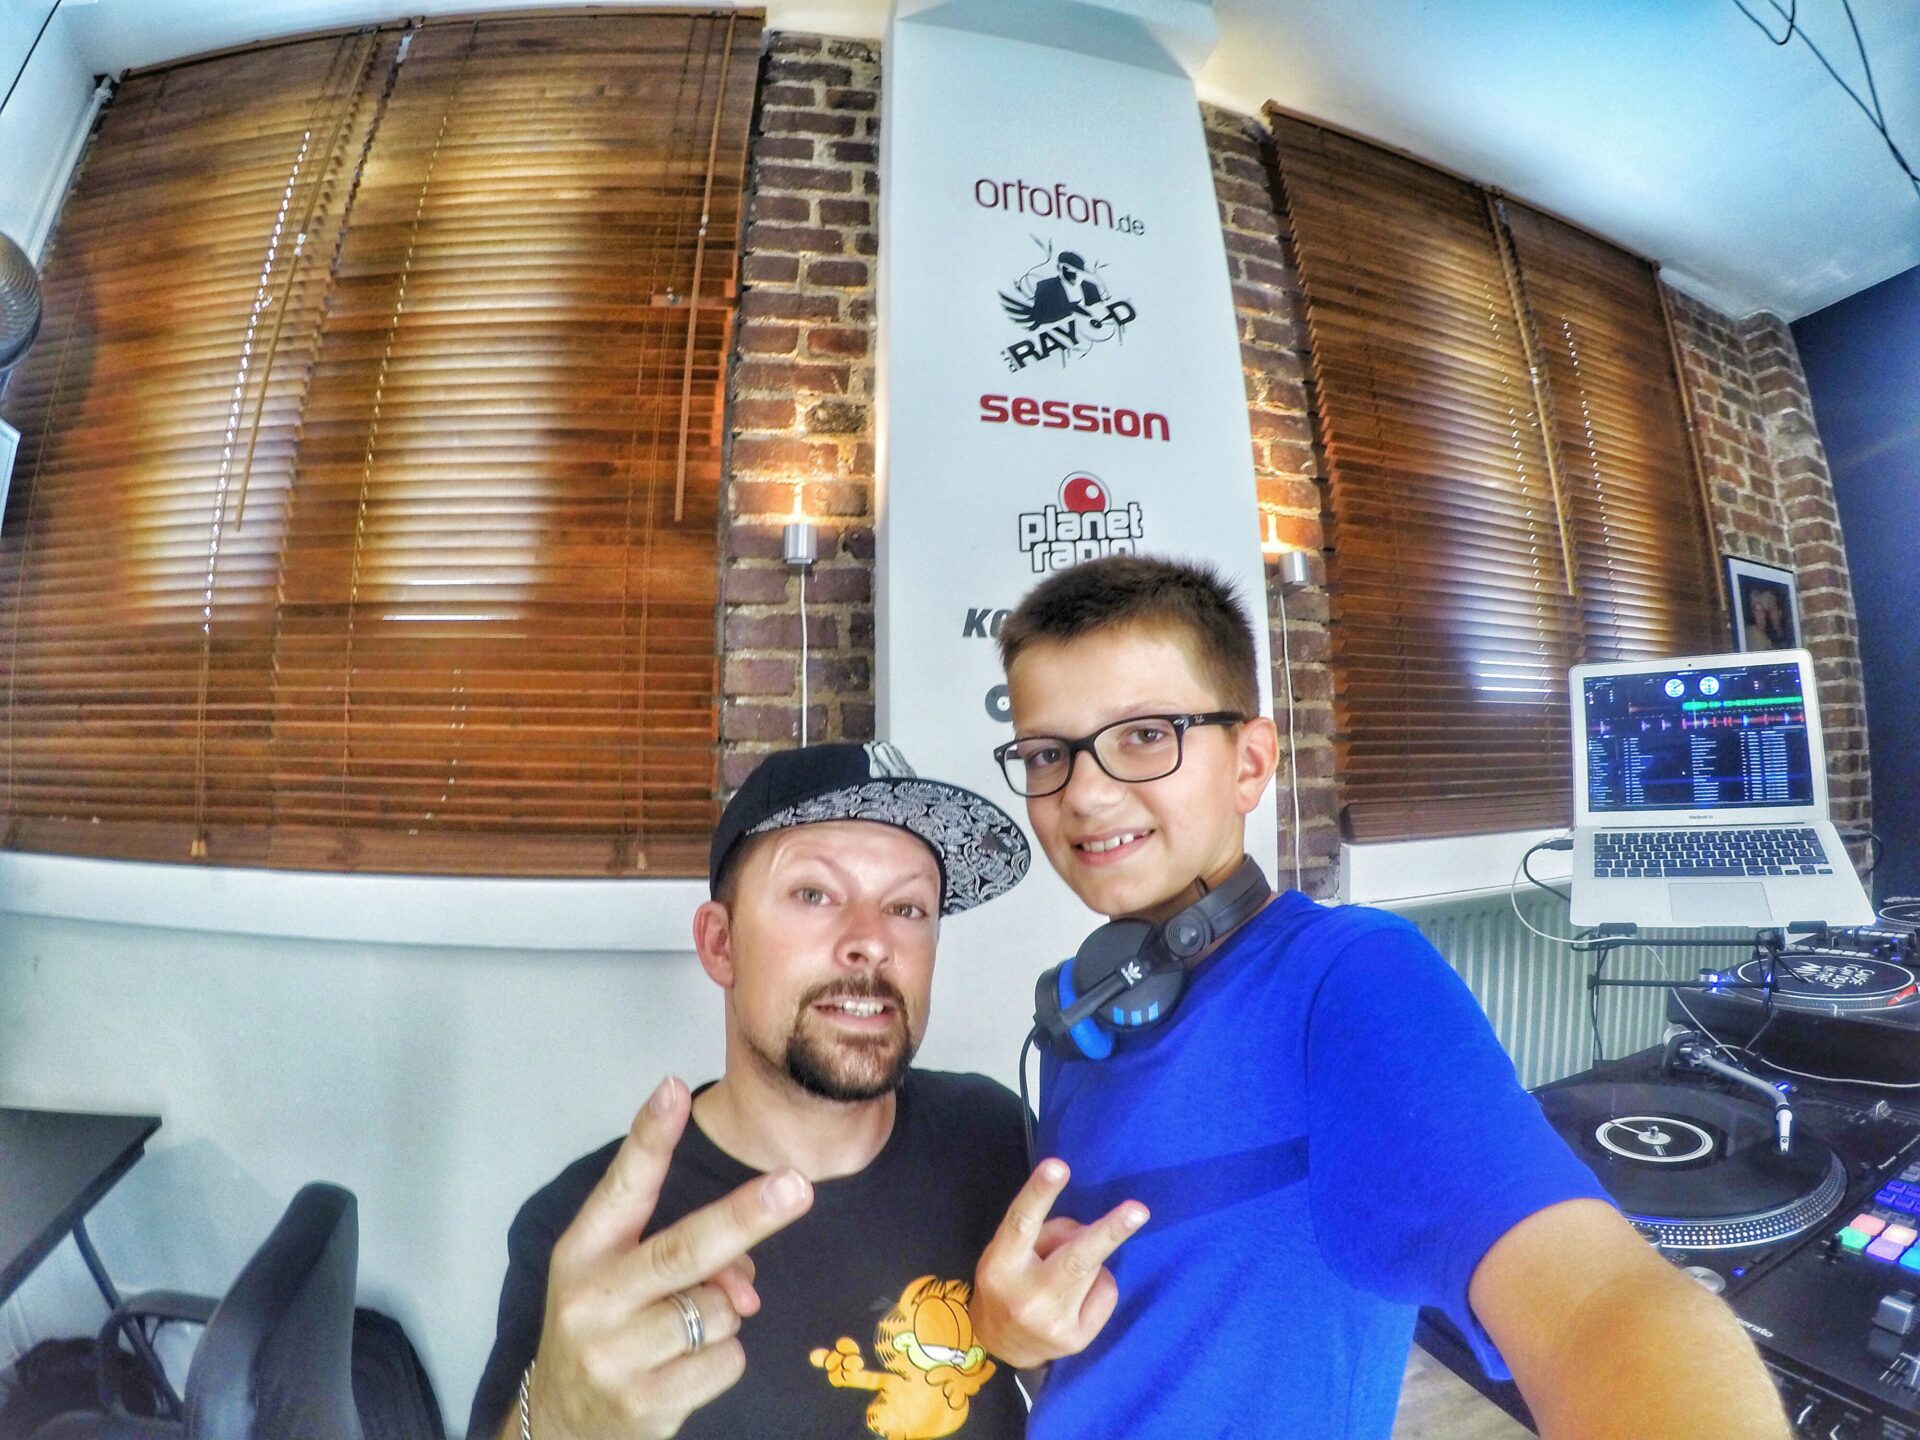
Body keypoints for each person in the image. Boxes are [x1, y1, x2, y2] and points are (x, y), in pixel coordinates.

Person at [968, 555, 1791, 1440]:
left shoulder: (1349, 979)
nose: (1086, 794)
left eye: (1143, 735)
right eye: (1048, 754)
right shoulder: (1088, 1013)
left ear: (1250, 762)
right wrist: (1012, 1334)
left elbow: (1603, 1306)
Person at [470, 741, 1036, 1440]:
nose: (872, 941)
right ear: (721, 943)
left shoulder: (995, 1136)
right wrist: (557, 1425)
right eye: (814, 894)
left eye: (908, 907)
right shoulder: (585, 1231)